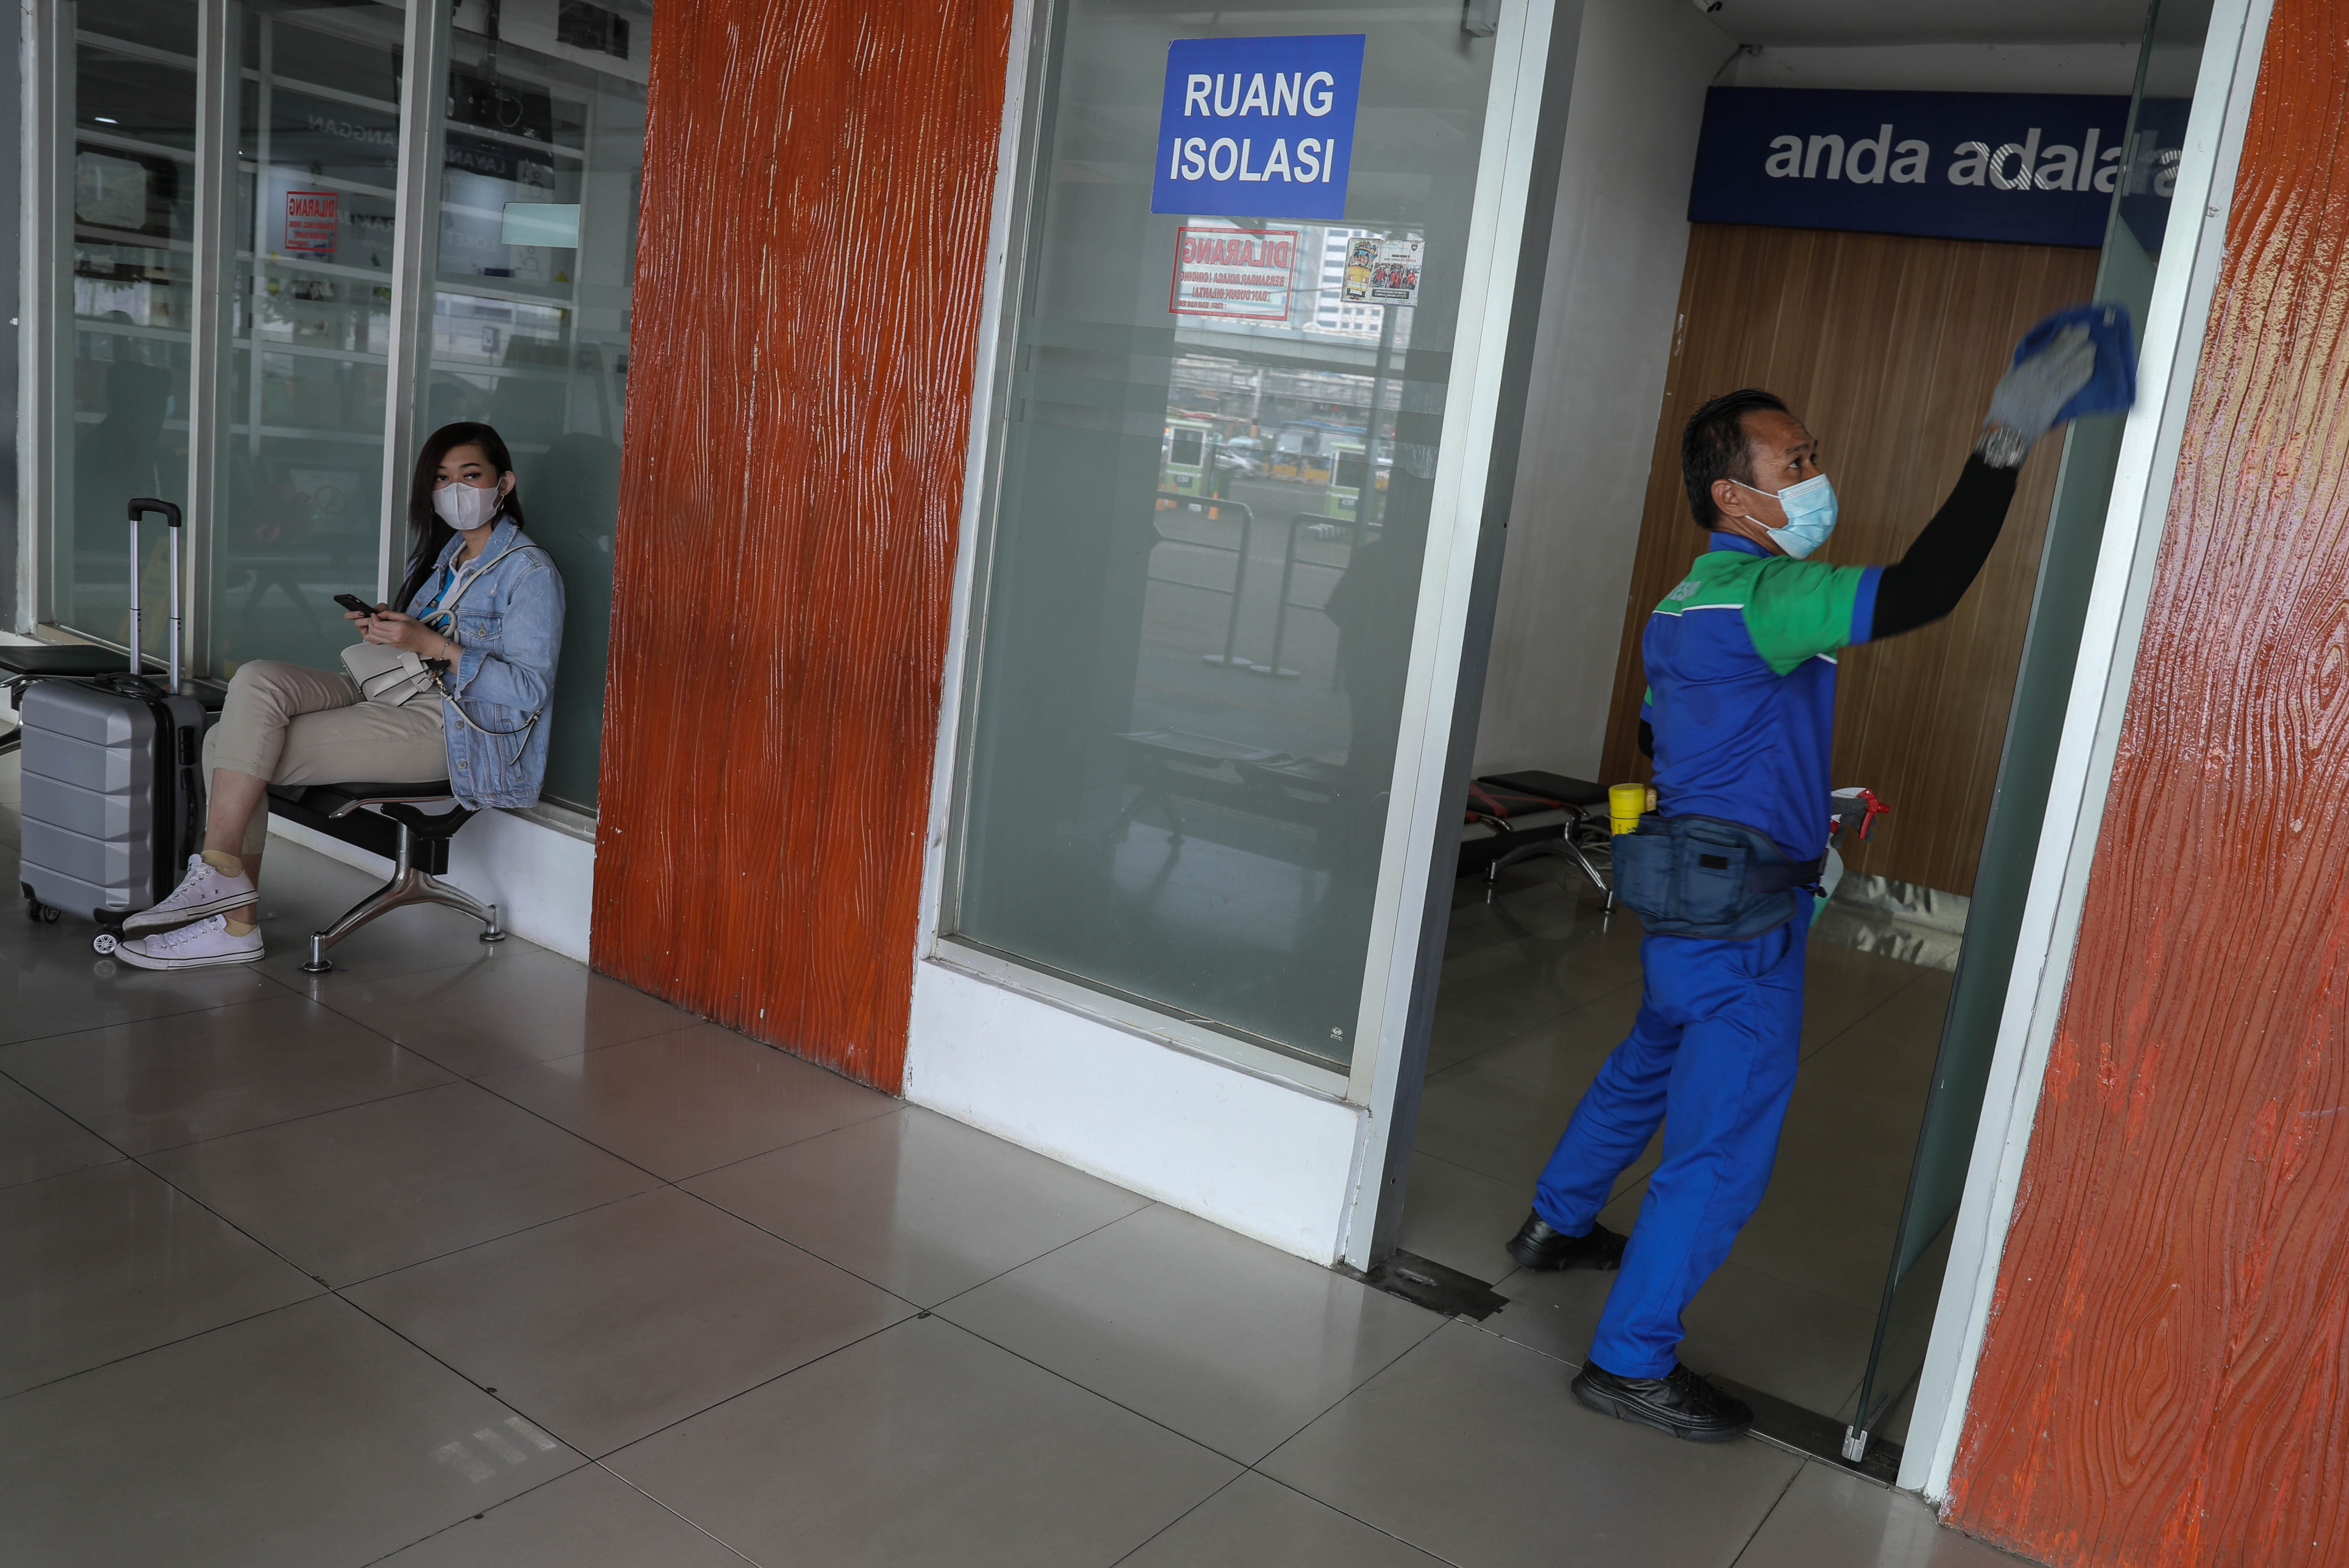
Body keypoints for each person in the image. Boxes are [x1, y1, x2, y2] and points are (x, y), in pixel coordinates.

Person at [1502, 324, 2099, 1442]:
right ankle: (1628, 1361)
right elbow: (1923, 589)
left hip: (1685, 896)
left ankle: (1555, 1225)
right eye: (1795, 463)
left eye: (1813, 452)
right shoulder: (1769, 602)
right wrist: (2005, 441)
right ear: (1735, 496)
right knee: (1718, 1148)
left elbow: (1663, 729)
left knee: (1645, 1063)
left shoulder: (1683, 604)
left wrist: (1784, 805)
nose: (1815, 475)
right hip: (1740, 927)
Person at [111, 422, 566, 970]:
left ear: (505, 483)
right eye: (443, 480)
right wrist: (387, 629)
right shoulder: (443, 560)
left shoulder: (530, 572)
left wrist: (433, 644)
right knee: (256, 679)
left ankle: (232, 916)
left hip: (453, 723)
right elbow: (416, 647)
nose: (457, 491)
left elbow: (528, 691)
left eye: (472, 476)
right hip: (388, 689)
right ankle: (222, 883)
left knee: (225, 746)